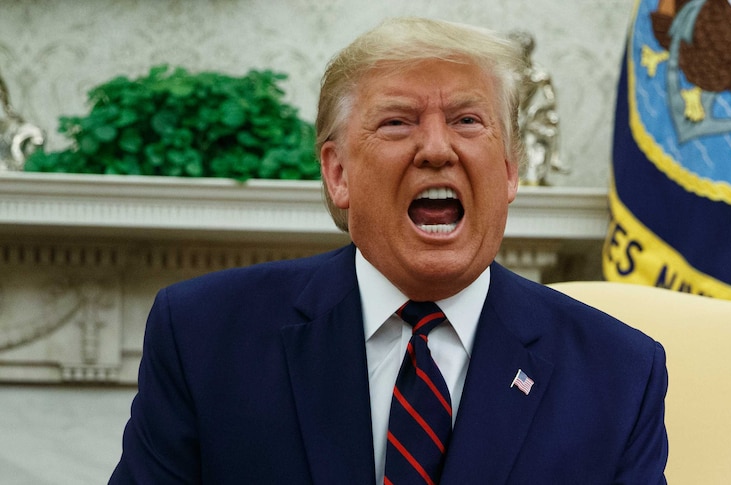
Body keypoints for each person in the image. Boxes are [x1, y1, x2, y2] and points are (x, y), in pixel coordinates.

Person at [109, 17, 668, 484]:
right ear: (338, 174)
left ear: (509, 170)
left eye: (467, 121)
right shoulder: (204, 336)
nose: (435, 148)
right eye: (397, 123)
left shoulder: (618, 374)